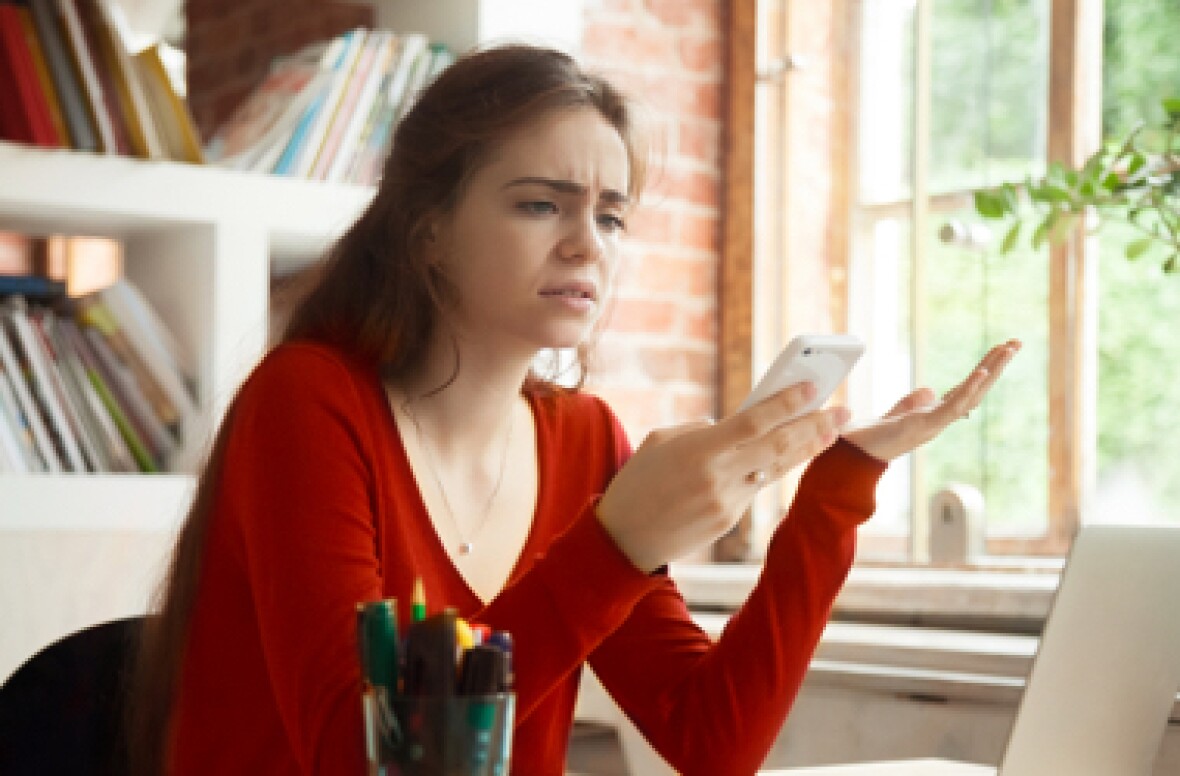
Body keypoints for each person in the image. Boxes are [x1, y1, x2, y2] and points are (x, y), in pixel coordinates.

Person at [127, 43, 1019, 775]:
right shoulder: (308, 402)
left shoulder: (585, 438)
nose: (585, 243)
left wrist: (834, 494)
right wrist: (617, 545)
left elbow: (711, 738)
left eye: (613, 216)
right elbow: (364, 761)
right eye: (540, 203)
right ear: (427, 229)